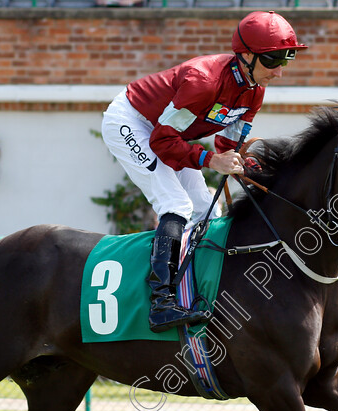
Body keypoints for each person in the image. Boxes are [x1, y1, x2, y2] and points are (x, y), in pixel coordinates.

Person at [101, 11, 307, 333]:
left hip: (168, 134)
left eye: (286, 60)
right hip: (132, 122)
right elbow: (161, 141)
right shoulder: (203, 82)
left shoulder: (255, 89)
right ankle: (161, 303)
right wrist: (211, 161)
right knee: (176, 205)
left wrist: (246, 164)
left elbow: (227, 144)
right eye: (273, 60)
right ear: (247, 55)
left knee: (207, 212)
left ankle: (196, 292)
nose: (279, 72)